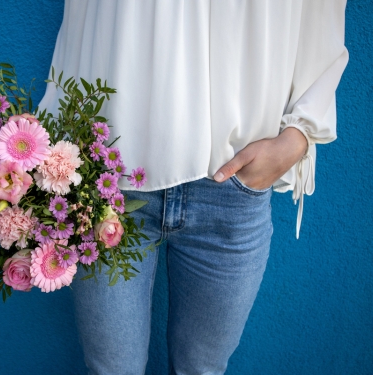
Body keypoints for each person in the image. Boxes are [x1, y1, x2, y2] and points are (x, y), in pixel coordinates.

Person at [38, 1, 349, 374]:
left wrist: (299, 136)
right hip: (107, 185)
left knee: (201, 370)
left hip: (233, 187)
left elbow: (323, 14)